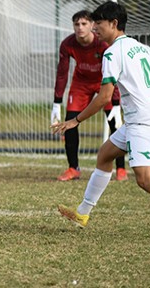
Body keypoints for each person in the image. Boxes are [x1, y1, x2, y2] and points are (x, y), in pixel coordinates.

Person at [53, 1, 150, 228]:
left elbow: (104, 97)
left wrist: (76, 120)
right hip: (141, 118)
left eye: (98, 24)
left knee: (146, 180)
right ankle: (82, 214)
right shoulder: (141, 47)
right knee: (104, 155)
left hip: (142, 122)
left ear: (114, 23)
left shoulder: (111, 53)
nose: (94, 29)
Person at [51, 10, 126, 181]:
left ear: (92, 25)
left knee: (115, 123)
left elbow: (114, 72)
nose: (80, 28)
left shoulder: (103, 44)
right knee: (70, 122)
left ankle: (121, 169)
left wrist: (115, 102)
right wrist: (56, 102)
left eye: (84, 24)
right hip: (81, 83)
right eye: (77, 24)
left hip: (103, 83)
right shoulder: (67, 44)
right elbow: (62, 73)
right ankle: (73, 168)